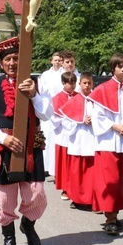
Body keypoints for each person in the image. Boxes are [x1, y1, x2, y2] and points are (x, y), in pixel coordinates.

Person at [0, 36, 52, 245]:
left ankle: (28, 225)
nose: (12, 63)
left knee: (36, 193)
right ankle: (8, 236)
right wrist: (2, 137)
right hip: (5, 148)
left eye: (16, 59)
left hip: (31, 147)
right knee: (4, 197)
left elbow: (47, 114)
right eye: (8, 59)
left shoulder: (35, 84)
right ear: (1, 63)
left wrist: (34, 95)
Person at [87, 53, 123, 235]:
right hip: (108, 142)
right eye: (119, 66)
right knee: (110, 181)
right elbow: (97, 115)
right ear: (113, 68)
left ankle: (115, 212)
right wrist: (115, 126)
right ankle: (110, 218)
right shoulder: (102, 89)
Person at [59, 71, 96, 210]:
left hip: (93, 140)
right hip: (78, 140)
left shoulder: (97, 99)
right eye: (84, 83)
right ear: (80, 84)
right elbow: (66, 122)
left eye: (89, 83)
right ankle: (76, 198)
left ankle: (92, 198)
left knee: (91, 172)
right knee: (77, 172)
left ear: (93, 84)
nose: (87, 86)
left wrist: (94, 120)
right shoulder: (74, 100)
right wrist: (81, 120)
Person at [51, 71, 78, 201]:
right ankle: (65, 188)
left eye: (74, 83)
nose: (72, 86)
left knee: (75, 163)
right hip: (63, 135)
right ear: (63, 83)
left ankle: (76, 188)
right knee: (65, 164)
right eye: (70, 83)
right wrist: (67, 119)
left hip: (77, 135)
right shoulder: (57, 98)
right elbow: (55, 119)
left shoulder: (79, 96)